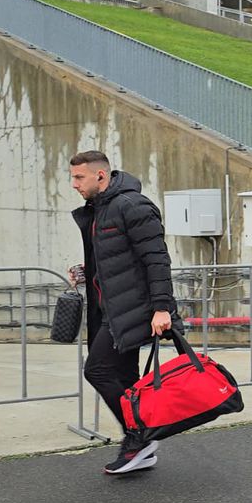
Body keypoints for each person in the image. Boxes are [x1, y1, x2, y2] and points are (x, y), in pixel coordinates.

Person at [69, 150, 177, 475]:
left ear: (101, 176)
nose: (73, 184)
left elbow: (157, 259)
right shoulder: (101, 209)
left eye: (79, 177)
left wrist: (161, 308)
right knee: (128, 380)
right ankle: (141, 447)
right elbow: (116, 259)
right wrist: (86, 272)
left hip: (135, 310)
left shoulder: (132, 206)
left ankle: (139, 439)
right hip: (111, 309)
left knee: (97, 370)